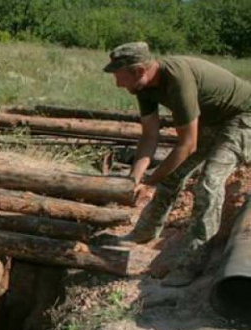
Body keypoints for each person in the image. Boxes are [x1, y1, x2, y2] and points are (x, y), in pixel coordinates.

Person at [104, 41, 251, 286]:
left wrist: (150, 183)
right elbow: (150, 136)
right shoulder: (142, 88)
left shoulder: (177, 79)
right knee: (172, 175)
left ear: (139, 70)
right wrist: (135, 179)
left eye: (121, 78)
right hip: (214, 119)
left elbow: (187, 145)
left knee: (209, 182)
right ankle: (144, 233)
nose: (119, 84)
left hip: (244, 116)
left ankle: (194, 262)